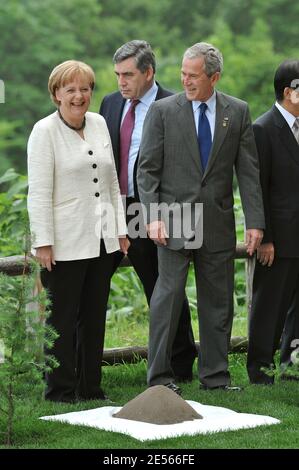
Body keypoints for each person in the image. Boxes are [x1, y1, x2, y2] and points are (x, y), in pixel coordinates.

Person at [138, 42, 264, 394]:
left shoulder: (237, 111)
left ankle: (216, 378)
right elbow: (146, 170)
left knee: (218, 302)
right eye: (183, 74)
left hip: (217, 222)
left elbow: (249, 172)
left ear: (214, 77)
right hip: (172, 218)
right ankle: (160, 379)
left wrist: (255, 221)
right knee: (167, 299)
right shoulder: (163, 111)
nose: (186, 81)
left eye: (193, 76)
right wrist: (152, 216)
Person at [27, 60, 129, 403]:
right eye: (70, 89)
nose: (79, 95)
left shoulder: (99, 123)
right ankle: (60, 390)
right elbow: (38, 192)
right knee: (62, 320)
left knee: (94, 317)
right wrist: (43, 242)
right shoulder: (44, 131)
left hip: (102, 241)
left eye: (85, 88)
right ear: (56, 94)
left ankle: (90, 387)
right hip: (64, 243)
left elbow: (113, 182)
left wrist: (121, 230)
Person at [99, 40, 197, 382]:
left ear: (149, 72)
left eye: (128, 75)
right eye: (117, 75)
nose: (121, 82)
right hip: (114, 208)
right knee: (94, 281)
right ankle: (81, 367)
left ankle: (181, 363)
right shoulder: (110, 104)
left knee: (163, 287)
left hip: (155, 210)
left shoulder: (175, 104)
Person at [247, 60, 299, 384]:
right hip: (277, 239)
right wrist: (265, 237)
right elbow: (257, 186)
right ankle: (260, 372)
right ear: (289, 92)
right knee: (269, 308)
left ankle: (292, 366)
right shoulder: (263, 129)